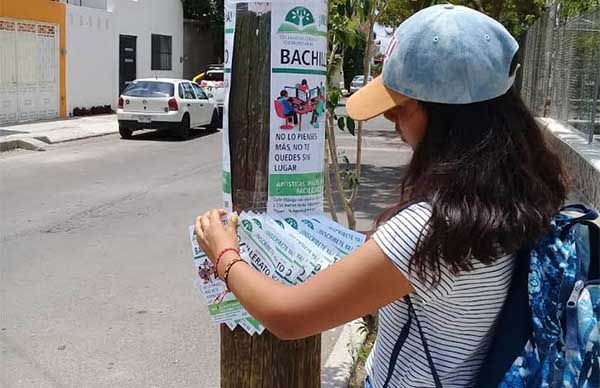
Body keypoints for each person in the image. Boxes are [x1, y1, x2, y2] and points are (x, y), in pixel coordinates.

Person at [195, 5, 567, 387]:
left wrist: (224, 254)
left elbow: (288, 317)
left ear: (444, 115)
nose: (392, 123)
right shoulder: (518, 193)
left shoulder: (429, 229)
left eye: (399, 109)